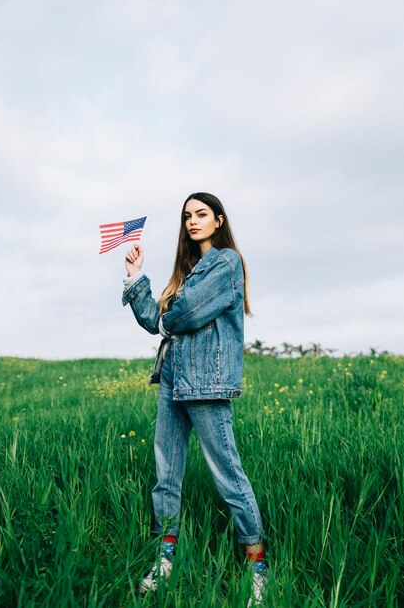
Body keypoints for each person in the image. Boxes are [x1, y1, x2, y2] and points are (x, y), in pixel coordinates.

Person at [122, 193, 268, 606]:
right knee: (165, 472)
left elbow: (181, 316)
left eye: (201, 214)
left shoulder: (226, 263)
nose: (192, 221)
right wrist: (136, 276)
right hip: (172, 378)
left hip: (205, 382)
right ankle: (165, 555)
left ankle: (256, 564)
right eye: (187, 215)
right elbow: (157, 321)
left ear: (219, 220)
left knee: (228, 474)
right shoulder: (186, 273)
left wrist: (172, 312)